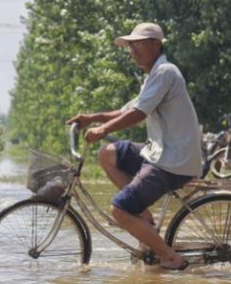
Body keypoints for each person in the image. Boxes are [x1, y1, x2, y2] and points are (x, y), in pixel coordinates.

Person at [67, 22, 203, 270]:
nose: (132, 51)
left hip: (172, 161)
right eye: (130, 46)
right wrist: (92, 118)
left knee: (119, 210)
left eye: (137, 44)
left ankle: (170, 257)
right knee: (108, 153)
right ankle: (143, 217)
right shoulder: (153, 76)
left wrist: (103, 130)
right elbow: (126, 110)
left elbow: (138, 114)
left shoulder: (165, 73)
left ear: (155, 44)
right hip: (159, 151)